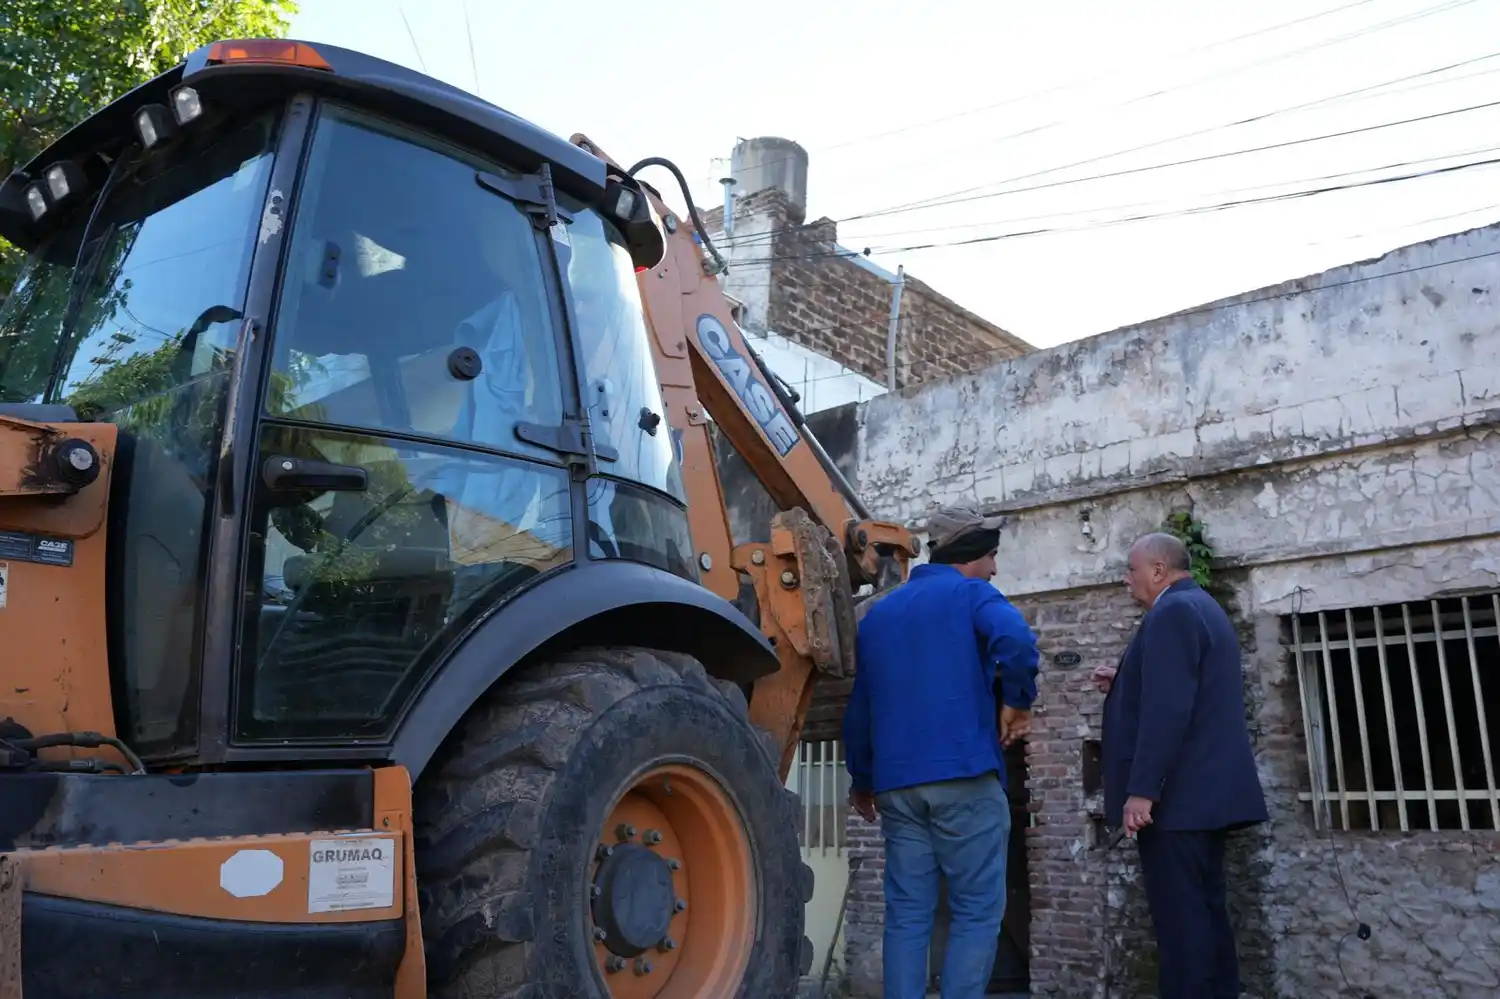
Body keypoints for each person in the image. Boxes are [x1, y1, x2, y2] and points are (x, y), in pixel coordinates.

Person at [843, 502, 1040, 999]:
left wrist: (862, 778)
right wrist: (1018, 702)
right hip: (964, 779)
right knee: (977, 910)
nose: (995, 569)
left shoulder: (878, 615)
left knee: (908, 912)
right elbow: (1017, 639)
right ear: (972, 554)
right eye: (992, 556)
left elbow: (862, 706)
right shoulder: (973, 594)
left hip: (897, 790)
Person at [1097, 532, 1268, 999]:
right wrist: (1123, 679)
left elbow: (1169, 709)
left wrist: (1142, 790)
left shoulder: (1171, 612)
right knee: (1206, 913)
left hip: (1177, 802)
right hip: (1204, 799)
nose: (1126, 580)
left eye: (1131, 570)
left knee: (1181, 926)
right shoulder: (1201, 607)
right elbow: (1188, 687)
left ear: (1157, 570)